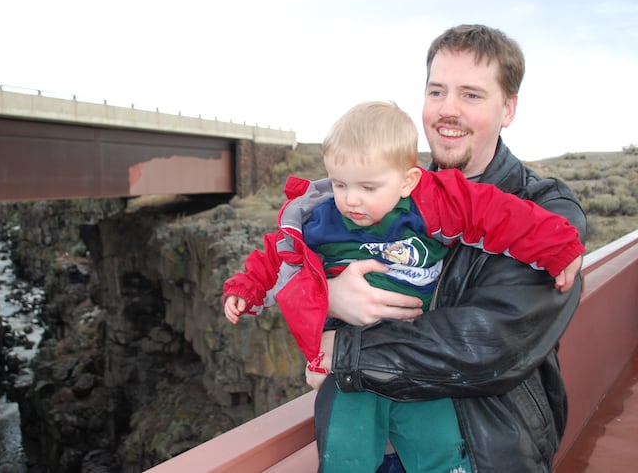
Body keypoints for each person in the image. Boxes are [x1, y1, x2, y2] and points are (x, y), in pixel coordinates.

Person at [223, 100, 584, 472]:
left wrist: (556, 246)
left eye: (368, 187)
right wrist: (247, 290)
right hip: (350, 367)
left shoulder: (431, 203)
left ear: (407, 181)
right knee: (345, 451)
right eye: (340, 183)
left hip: (415, 361)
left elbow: (495, 213)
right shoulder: (320, 219)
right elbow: (277, 256)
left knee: (441, 447)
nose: (350, 199)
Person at [310, 25, 588, 473]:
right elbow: (303, 266)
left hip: (488, 450)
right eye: (436, 91)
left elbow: (490, 342)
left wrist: (346, 353)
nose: (447, 110)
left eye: (471, 95)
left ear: (508, 109)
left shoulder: (545, 214)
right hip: (378, 446)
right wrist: (327, 294)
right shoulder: (385, 195)